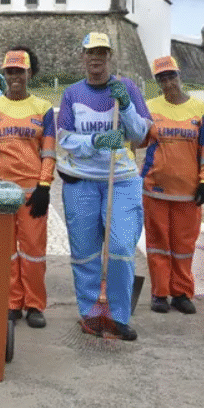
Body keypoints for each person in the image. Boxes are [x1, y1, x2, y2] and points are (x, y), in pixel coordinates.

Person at [55, 32, 149, 341]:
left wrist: (125, 105)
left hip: (120, 179)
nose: (96, 58)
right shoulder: (72, 94)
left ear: (109, 57)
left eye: (102, 52)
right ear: (82, 57)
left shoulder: (128, 89)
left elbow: (138, 136)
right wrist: (95, 141)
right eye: (90, 52)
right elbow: (65, 138)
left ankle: (119, 315)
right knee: (85, 251)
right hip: (81, 180)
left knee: (122, 247)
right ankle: (91, 312)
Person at [0, 47, 55, 328]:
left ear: (29, 74)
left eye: (20, 72)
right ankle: (12, 302)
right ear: (4, 74)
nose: (15, 77)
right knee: (6, 251)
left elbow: (48, 152)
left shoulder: (44, 108)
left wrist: (45, 185)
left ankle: (34, 304)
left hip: (33, 190)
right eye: (10, 72)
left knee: (33, 250)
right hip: (3, 192)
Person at [140, 55, 204, 315]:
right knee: (157, 244)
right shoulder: (149, 107)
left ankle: (181, 293)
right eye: (162, 78)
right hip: (155, 188)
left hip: (188, 192)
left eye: (171, 76)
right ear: (157, 82)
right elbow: (138, 141)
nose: (168, 82)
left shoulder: (199, 109)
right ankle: (160, 293)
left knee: (183, 246)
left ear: (179, 76)